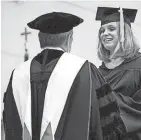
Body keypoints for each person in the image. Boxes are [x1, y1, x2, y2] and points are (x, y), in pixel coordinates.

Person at [3, 12, 109, 140]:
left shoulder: (18, 74)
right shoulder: (85, 70)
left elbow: (8, 124)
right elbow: (105, 122)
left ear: (39, 39)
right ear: (70, 38)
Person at [95, 7, 141, 140]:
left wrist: (107, 100)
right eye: (102, 31)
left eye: (111, 29)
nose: (104, 34)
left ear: (125, 33)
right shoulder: (98, 73)